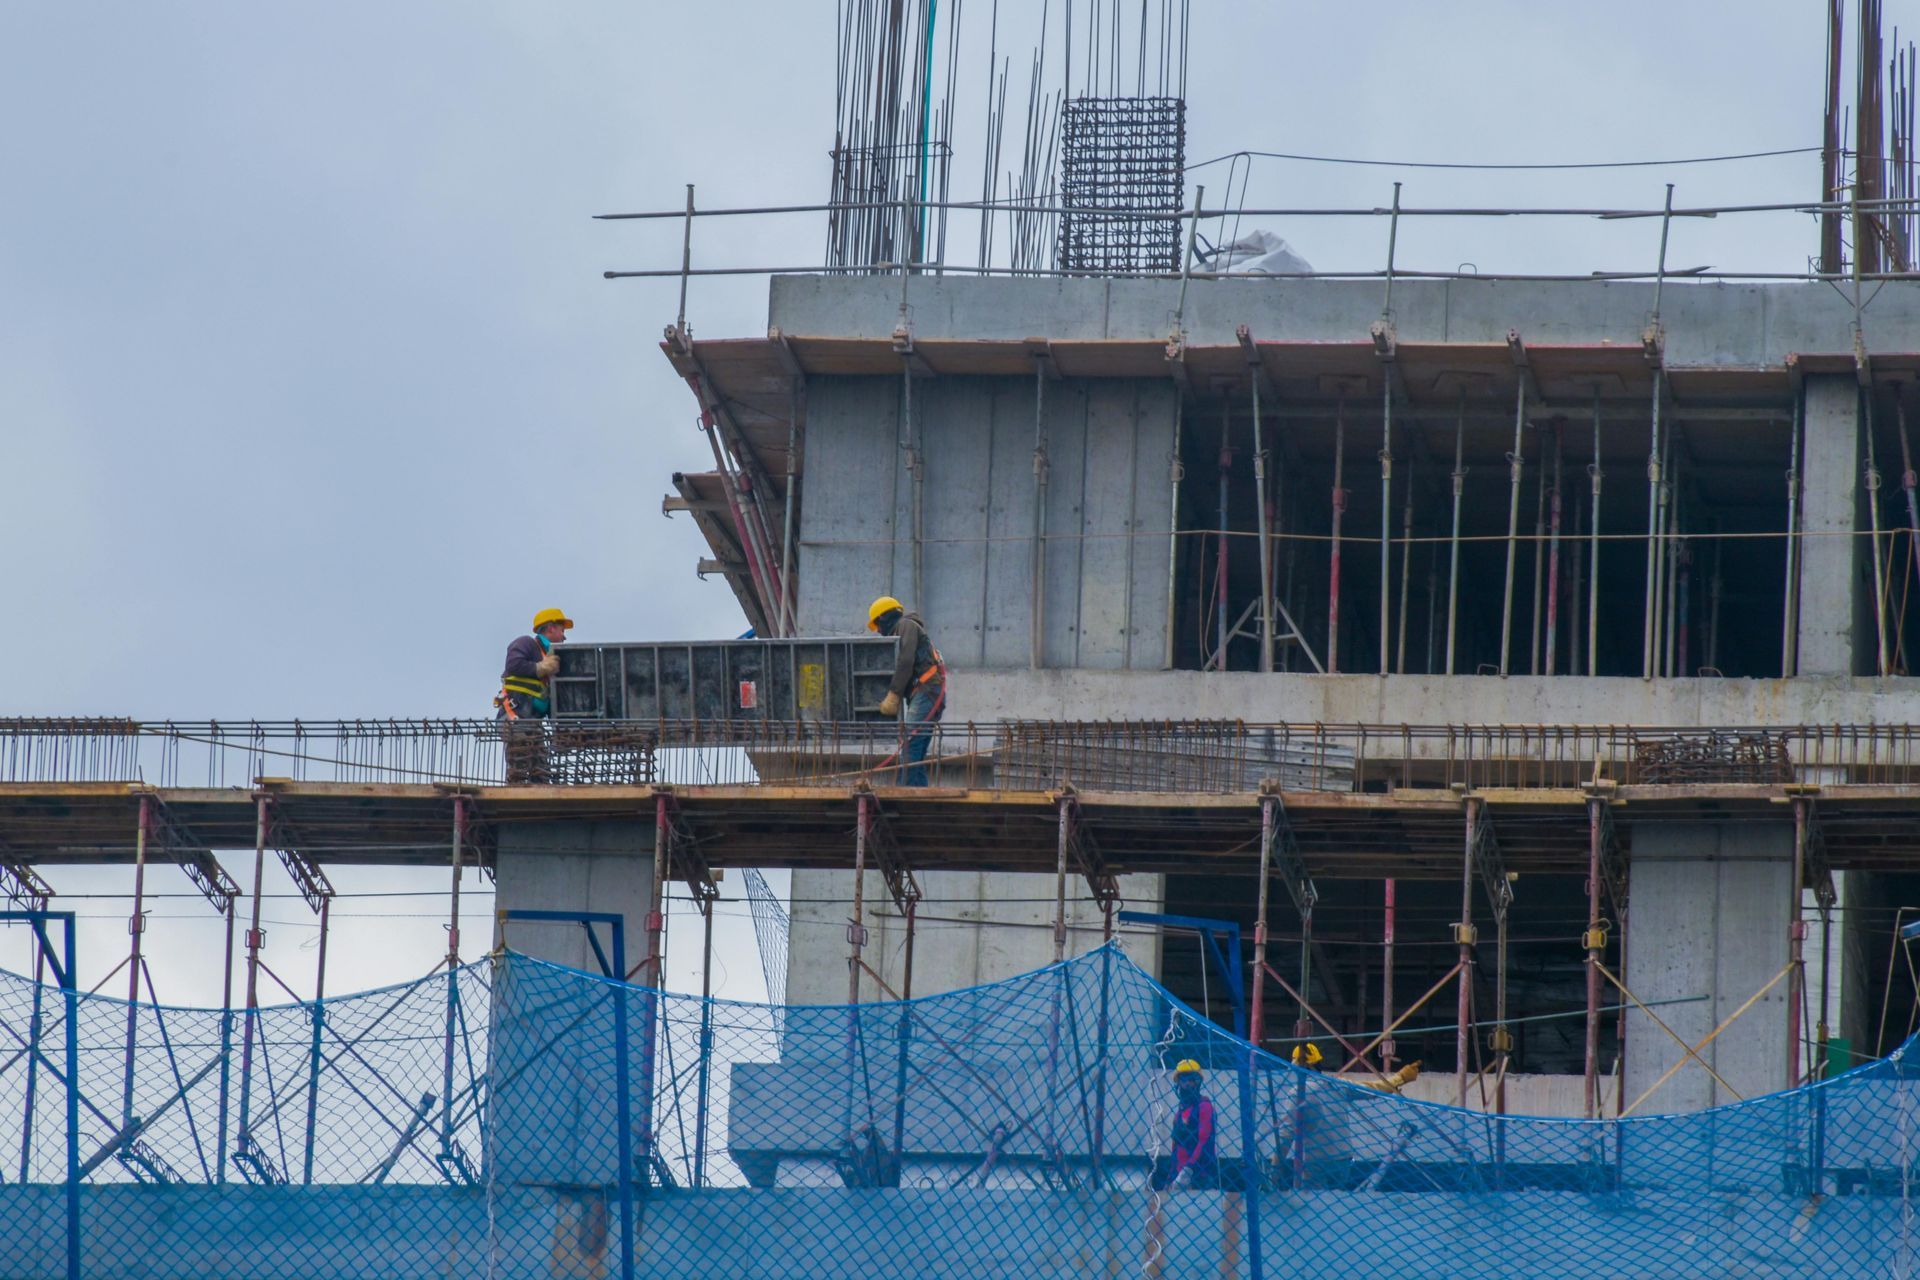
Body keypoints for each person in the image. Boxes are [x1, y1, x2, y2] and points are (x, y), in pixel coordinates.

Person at [867, 596, 946, 787]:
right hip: (927, 692)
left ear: (885, 617)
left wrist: (894, 694)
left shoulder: (906, 625)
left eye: (877, 624)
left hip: (926, 691)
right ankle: (920, 796)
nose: (878, 630)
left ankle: (907, 794)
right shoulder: (904, 629)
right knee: (916, 754)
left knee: (910, 748)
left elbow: (906, 661)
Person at [497, 608, 573, 721]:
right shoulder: (526, 643)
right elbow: (513, 664)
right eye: (562, 630)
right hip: (513, 718)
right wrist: (540, 668)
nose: (564, 637)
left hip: (532, 724)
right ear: (551, 628)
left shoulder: (550, 657)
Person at [1161, 1059, 1217, 1191]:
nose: (1186, 1084)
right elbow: (1175, 1147)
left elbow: (1204, 1141)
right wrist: (1171, 1176)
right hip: (1178, 1174)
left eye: (1191, 1079)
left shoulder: (1204, 1107)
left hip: (1199, 1175)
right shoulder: (1179, 1113)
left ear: (1197, 1082)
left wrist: (1188, 1169)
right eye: (1183, 1079)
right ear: (1178, 1082)